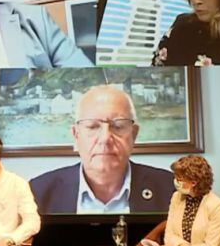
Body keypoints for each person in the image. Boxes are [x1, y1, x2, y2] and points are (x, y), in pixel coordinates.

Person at [29, 85, 175, 214]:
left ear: (134, 134)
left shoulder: (171, 190)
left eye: (118, 126)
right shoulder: (37, 192)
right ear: (76, 135)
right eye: (92, 126)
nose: (105, 138)